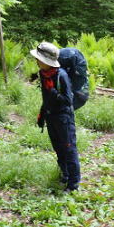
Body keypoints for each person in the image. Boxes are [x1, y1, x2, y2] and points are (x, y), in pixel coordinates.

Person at [31, 42, 81, 192]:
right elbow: (45, 97)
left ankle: (73, 184)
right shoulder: (43, 73)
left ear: (47, 61)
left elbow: (68, 100)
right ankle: (65, 175)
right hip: (51, 116)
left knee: (69, 149)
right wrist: (42, 114)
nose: (36, 61)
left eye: (38, 59)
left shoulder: (62, 76)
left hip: (64, 118)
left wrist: (54, 92)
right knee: (58, 148)